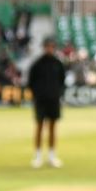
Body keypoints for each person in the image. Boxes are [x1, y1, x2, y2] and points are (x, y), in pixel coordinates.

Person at [28, 37, 66, 168]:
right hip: (41, 100)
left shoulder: (58, 64)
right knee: (39, 126)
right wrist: (37, 94)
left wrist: (58, 94)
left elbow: (62, 81)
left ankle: (52, 156)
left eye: (52, 46)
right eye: (47, 46)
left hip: (54, 99)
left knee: (52, 127)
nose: (50, 49)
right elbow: (31, 82)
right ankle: (38, 156)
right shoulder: (37, 64)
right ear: (44, 47)